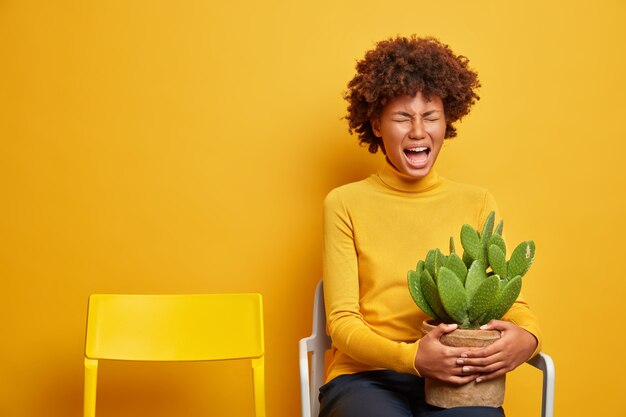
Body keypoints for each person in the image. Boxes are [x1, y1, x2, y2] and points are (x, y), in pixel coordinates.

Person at [320, 36, 542, 417]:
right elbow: (341, 323)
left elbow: (508, 296)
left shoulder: (478, 202)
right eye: (403, 117)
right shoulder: (344, 202)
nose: (418, 131)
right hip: (364, 377)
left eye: (431, 117)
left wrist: (530, 336)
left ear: (447, 122)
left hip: (458, 375)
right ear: (375, 124)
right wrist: (413, 358)